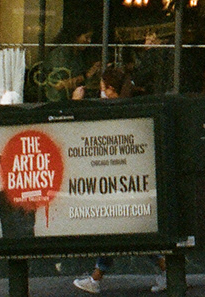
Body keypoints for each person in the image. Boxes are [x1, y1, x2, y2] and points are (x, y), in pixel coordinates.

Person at [74, 66, 170, 295]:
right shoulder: (130, 106)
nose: (101, 93)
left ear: (110, 89)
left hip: (117, 181)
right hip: (128, 180)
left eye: (102, 89)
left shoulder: (111, 109)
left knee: (117, 231)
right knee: (128, 233)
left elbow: (79, 124)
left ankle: (96, 279)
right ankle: (166, 269)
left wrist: (76, 102)